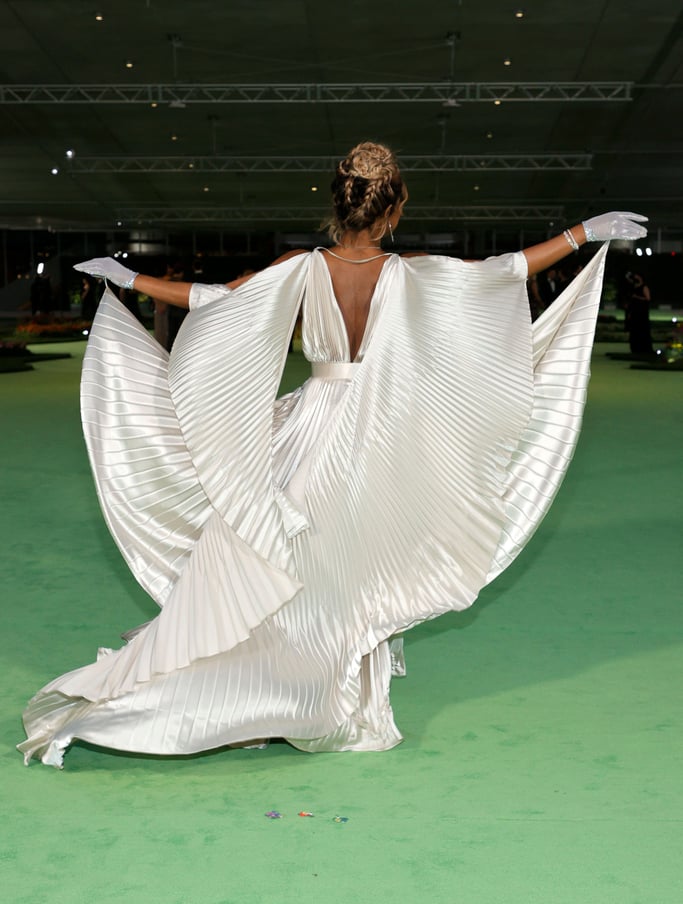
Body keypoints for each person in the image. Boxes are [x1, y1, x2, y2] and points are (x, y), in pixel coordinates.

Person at [18, 142, 647, 769]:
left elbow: (212, 300)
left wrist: (127, 279)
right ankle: (305, 693)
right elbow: (505, 270)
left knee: (275, 555)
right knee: (349, 569)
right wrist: (584, 232)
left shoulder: (300, 267)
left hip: (309, 427)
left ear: (335, 203)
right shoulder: (412, 271)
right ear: (394, 208)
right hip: (376, 433)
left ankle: (259, 692)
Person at [625, 271, 653, 356]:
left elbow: (648, 299)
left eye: (637, 276)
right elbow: (627, 278)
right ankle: (635, 348)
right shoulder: (634, 286)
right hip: (634, 311)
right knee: (634, 330)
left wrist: (637, 297)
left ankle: (644, 348)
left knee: (642, 329)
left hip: (642, 312)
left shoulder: (644, 287)